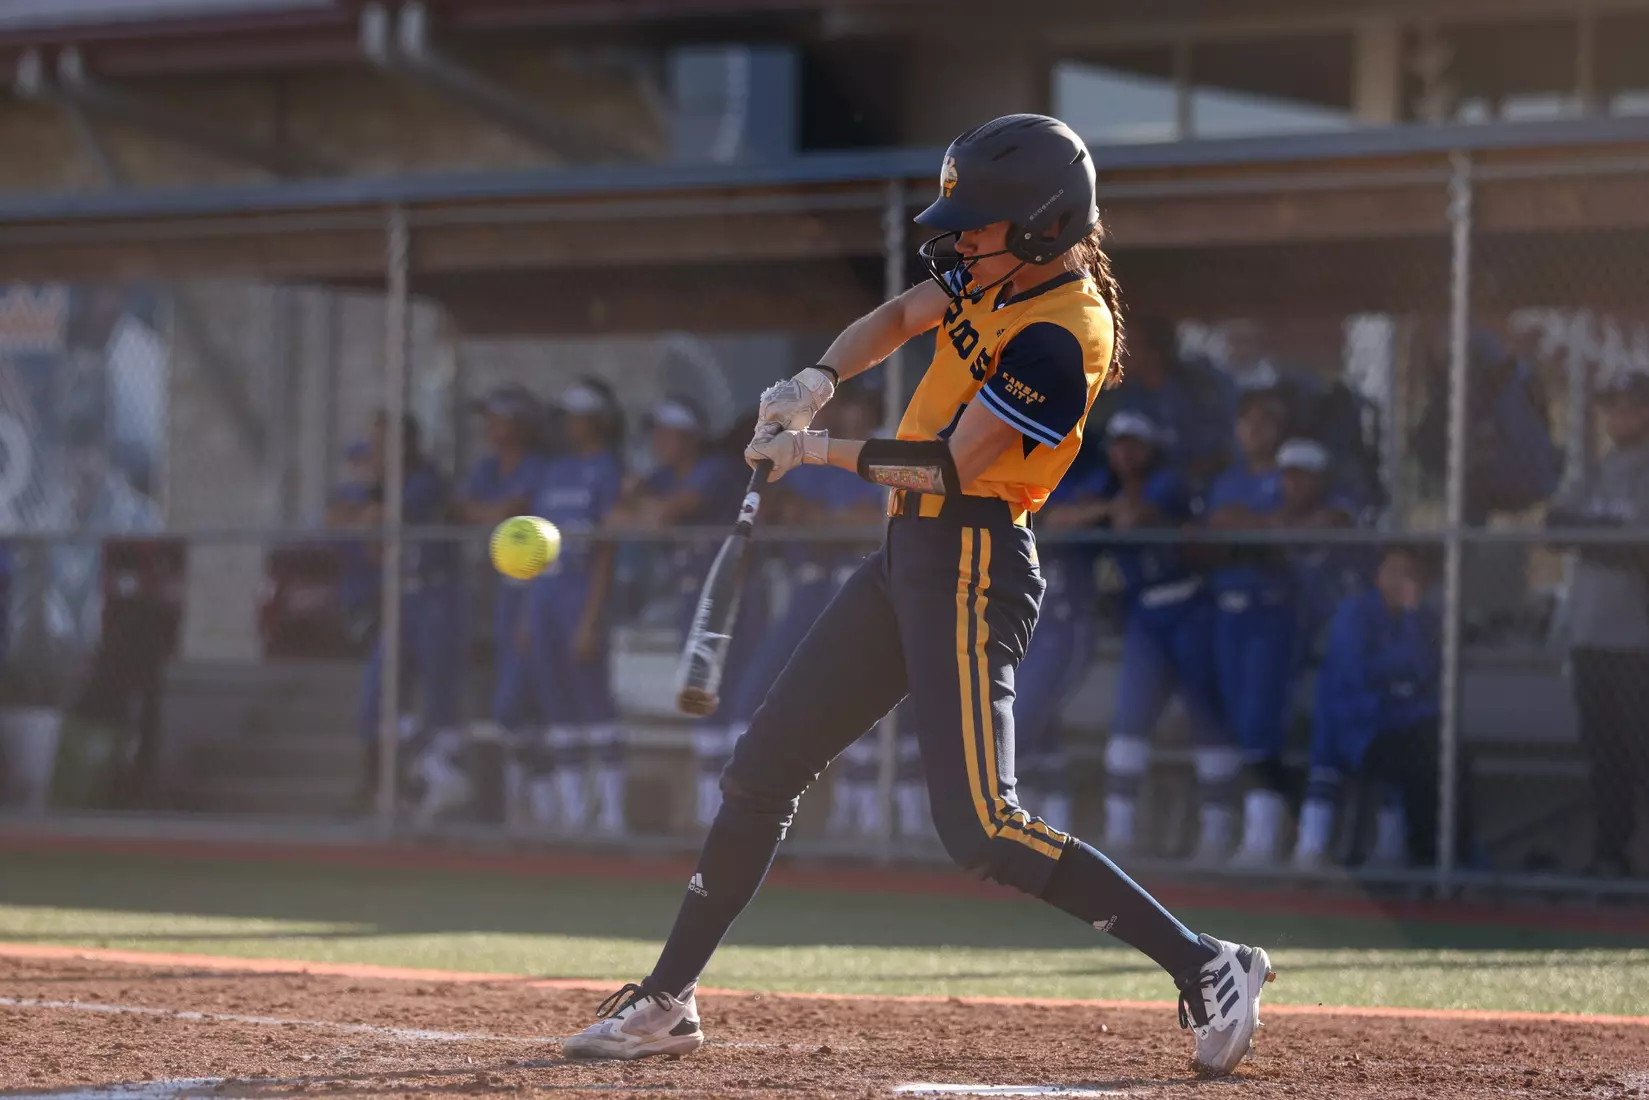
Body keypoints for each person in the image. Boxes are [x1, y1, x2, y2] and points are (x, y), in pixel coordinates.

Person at [563, 114, 1272, 1075]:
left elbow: (944, 465)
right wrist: (815, 379)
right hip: (907, 559)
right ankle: (666, 1000)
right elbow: (896, 321)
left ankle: (1206, 965)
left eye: (976, 223)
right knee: (761, 770)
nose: (954, 238)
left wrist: (811, 450)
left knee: (979, 826)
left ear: (1037, 229)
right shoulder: (985, 274)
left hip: (975, 562)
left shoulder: (1064, 335)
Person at [1206, 401, 1357, 865]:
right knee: (1241, 724)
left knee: (1264, 726)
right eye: (1288, 473)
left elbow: (1329, 523)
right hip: (1256, 623)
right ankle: (1253, 835)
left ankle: (1266, 839)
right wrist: (1272, 529)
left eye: (1304, 475)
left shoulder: (1337, 506)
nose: (1294, 482)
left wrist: (1266, 533)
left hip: (1314, 633)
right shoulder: (1249, 491)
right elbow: (1223, 522)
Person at [611, 396, 751, 829]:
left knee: (734, 702)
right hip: (694, 597)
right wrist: (642, 506)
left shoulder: (715, 470)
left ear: (690, 438)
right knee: (700, 701)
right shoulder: (664, 476)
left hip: (731, 597)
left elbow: (667, 513)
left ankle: (737, 812)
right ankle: (712, 813)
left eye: (667, 434)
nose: (658, 442)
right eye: (656, 433)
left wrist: (644, 507)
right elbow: (616, 518)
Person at [1293, 544, 1455, 870]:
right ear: (1378, 576)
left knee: (1438, 758)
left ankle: (1402, 855)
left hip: (1397, 722)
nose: (1400, 581)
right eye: (1393, 571)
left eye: (1409, 574)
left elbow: (1422, 666)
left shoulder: (1422, 619)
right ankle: (1310, 852)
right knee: (1393, 756)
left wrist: (1409, 621)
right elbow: (1358, 674)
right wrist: (1399, 677)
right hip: (1353, 724)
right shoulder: (1355, 613)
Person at [1547, 370, 1649, 878]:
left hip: (1638, 641)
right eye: (1612, 406)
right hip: (1590, 636)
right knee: (1604, 755)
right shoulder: (1595, 470)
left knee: (1639, 752)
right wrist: (1608, 536)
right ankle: (1611, 856)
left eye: (1630, 406)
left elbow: (1638, 547)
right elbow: (1554, 526)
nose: (1618, 416)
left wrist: (1596, 534)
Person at [334, 413, 463, 808]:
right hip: (400, 599)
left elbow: (383, 519)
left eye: (383, 443)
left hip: (437, 597)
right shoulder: (382, 486)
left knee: (439, 699)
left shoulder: (425, 481)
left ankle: (441, 781)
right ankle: (420, 779)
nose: (376, 453)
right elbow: (365, 538)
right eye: (374, 444)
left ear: (404, 444)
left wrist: (368, 514)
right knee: (375, 703)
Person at [518, 380, 627, 836]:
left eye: (578, 416)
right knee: (556, 704)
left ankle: (612, 817)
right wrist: (527, 609)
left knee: (592, 702)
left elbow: (605, 550)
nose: (570, 424)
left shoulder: (607, 469)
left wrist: (589, 617)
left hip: (581, 592)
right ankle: (572, 815)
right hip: (545, 591)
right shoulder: (554, 470)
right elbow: (535, 543)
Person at [457, 386, 553, 785]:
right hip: (498, 589)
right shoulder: (487, 467)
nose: (490, 427)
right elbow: (463, 509)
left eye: (498, 419)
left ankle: (542, 795)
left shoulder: (538, 466)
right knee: (503, 702)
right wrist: (492, 513)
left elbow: (510, 511)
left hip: (535, 586)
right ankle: (522, 802)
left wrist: (494, 513)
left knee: (520, 702)